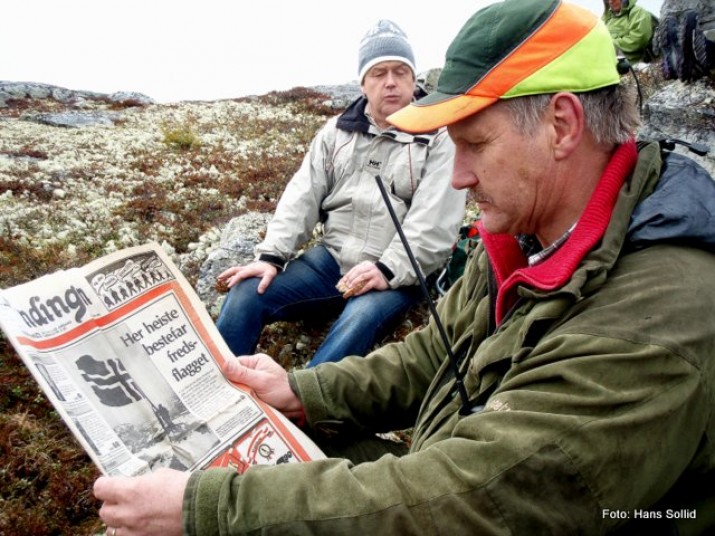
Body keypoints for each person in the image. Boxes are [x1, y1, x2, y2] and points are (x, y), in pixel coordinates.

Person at [94, 1, 715, 534]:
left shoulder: (657, 317)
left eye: (474, 144)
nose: (459, 175)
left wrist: (210, 512)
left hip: (479, 498)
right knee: (289, 453)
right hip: (454, 464)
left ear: (561, 125)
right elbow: (435, 357)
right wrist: (304, 392)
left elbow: (479, 500)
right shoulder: (529, 234)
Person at [213, 19, 465, 368]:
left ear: (413, 79)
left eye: (400, 71)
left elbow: (434, 225)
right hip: (330, 263)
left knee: (356, 323)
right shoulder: (335, 133)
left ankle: (299, 410)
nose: (390, 82)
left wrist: (387, 270)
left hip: (393, 274)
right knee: (246, 294)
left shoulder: (439, 138)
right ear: (363, 83)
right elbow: (302, 194)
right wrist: (270, 257)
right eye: (378, 73)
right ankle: (220, 389)